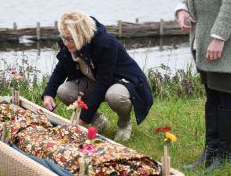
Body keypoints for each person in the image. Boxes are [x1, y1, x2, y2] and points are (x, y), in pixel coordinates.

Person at [175, 0, 231, 173]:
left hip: (226, 37)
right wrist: (182, 8)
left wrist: (219, 36)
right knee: (212, 93)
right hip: (203, 34)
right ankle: (211, 151)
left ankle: (224, 156)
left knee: (226, 92)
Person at [42, 11, 153, 141]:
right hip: (95, 79)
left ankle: (124, 124)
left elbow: (103, 84)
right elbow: (61, 68)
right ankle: (98, 120)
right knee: (64, 91)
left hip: (120, 80)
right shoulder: (69, 42)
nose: (65, 43)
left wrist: (82, 120)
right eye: (63, 38)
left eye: (70, 39)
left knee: (114, 96)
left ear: (81, 35)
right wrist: (48, 93)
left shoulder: (106, 44)